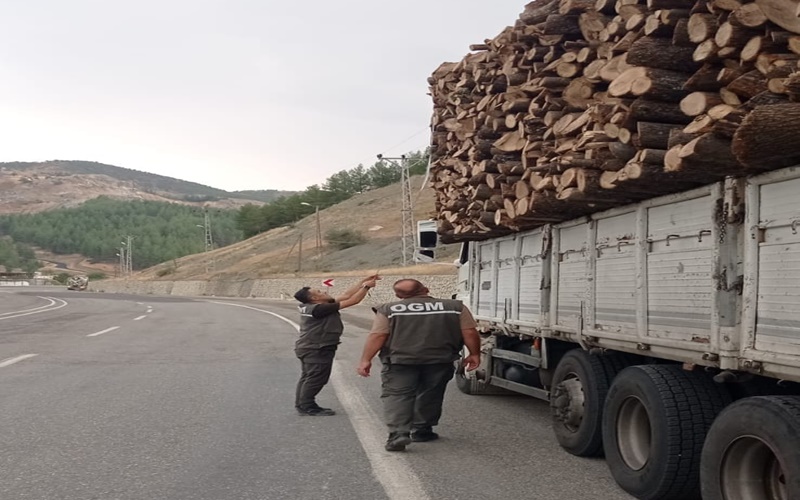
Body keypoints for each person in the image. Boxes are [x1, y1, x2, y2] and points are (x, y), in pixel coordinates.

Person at [357, 278, 480, 451]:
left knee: (398, 395)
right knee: (431, 393)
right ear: (426, 289)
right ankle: (422, 430)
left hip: (400, 361)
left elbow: (378, 335)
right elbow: (469, 332)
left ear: (398, 295)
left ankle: (398, 434)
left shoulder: (388, 309)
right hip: (440, 360)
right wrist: (474, 354)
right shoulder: (455, 307)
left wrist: (365, 360)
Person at [294, 274, 379, 416]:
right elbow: (353, 300)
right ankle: (307, 406)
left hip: (308, 347)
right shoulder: (319, 309)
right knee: (316, 378)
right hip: (317, 348)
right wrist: (366, 287)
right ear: (314, 299)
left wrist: (362, 281)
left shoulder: (314, 306)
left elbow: (346, 295)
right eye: (319, 292)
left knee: (308, 377)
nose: (324, 291)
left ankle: (303, 404)